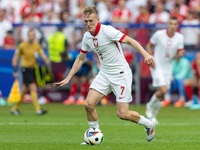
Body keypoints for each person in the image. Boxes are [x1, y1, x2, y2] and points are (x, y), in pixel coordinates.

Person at [53, 5, 156, 143]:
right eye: (86, 21)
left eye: (91, 21)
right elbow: (80, 58)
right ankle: (93, 136)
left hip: (121, 74)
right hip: (105, 74)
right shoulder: (87, 37)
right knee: (88, 105)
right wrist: (68, 77)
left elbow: (130, 41)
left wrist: (146, 55)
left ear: (98, 19)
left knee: (123, 114)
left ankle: (149, 124)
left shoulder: (107, 31)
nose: (88, 24)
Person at [145, 17, 184, 122]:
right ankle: (149, 106)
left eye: (175, 24)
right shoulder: (159, 34)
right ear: (168, 24)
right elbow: (149, 45)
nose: (172, 26)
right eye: (171, 23)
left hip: (168, 68)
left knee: (161, 96)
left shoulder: (180, 38)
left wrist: (180, 55)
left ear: (177, 26)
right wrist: (150, 58)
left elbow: (177, 57)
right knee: (164, 90)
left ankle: (153, 115)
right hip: (157, 66)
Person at [11, 29, 50, 115]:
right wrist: (15, 69)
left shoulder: (37, 46)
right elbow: (15, 57)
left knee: (25, 90)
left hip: (33, 69)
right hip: (25, 68)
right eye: (30, 35)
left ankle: (14, 108)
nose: (31, 36)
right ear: (28, 36)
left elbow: (42, 54)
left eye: (33, 35)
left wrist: (46, 60)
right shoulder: (22, 45)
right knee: (33, 87)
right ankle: (38, 109)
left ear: (35, 36)